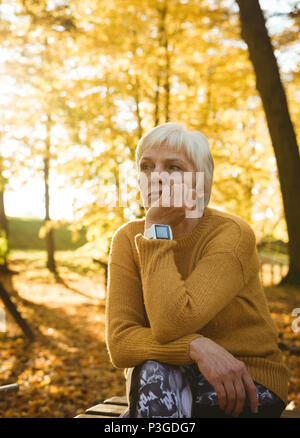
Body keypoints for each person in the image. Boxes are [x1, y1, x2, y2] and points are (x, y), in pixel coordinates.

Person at [105, 122, 289, 418]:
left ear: (200, 184)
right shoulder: (127, 238)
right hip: (167, 374)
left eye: (174, 167)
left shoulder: (231, 234)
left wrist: (155, 232)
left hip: (245, 379)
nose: (157, 177)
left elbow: (172, 321)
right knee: (152, 369)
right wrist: (195, 345)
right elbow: (121, 343)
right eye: (147, 167)